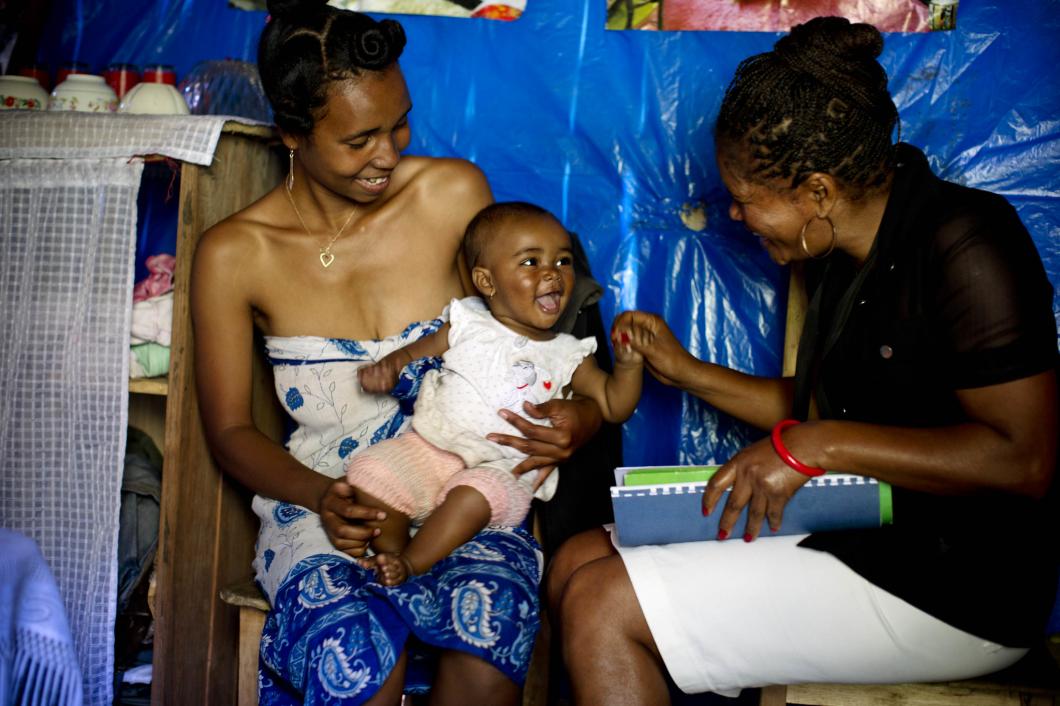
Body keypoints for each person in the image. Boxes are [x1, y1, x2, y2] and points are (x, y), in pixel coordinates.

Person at [547, 16, 1058, 705]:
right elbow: (825, 405)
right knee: (576, 558)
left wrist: (813, 446)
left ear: (817, 193)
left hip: (960, 583)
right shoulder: (842, 254)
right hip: (865, 531)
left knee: (603, 604)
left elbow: (1023, 460)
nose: (734, 216)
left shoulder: (967, 242)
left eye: (747, 200)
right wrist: (689, 370)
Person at [190, 1, 604, 704]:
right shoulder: (236, 253)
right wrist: (321, 496)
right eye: (359, 141)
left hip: (465, 489)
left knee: (486, 632)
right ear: (293, 134)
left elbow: (536, 335)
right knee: (357, 656)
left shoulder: (451, 194)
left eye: (399, 123)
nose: (388, 154)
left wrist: (584, 420)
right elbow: (229, 431)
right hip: (330, 501)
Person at [349, 202, 644, 586]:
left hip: (502, 472)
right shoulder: (467, 322)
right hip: (431, 448)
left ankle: (411, 566)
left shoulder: (568, 352)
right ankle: (391, 556)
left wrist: (629, 365)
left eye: (563, 261)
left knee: (471, 498)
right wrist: (388, 367)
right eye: (530, 262)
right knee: (369, 472)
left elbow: (612, 405)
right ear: (487, 282)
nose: (552, 274)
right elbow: (413, 354)